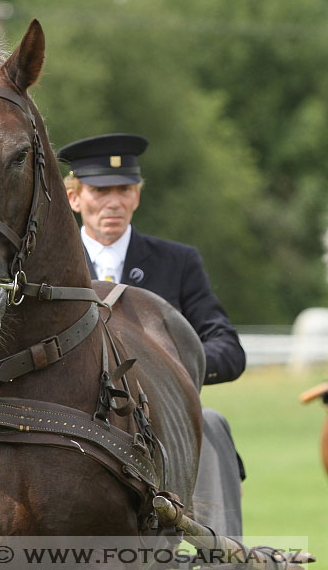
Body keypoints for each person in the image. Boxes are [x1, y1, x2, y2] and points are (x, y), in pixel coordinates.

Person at [59, 133, 246, 536]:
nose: (114, 202)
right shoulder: (50, 268)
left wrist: (164, 372)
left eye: (124, 189)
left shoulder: (178, 262)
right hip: (72, 421)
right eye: (100, 190)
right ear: (74, 198)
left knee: (210, 422)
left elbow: (228, 350)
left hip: (163, 423)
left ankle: (219, 555)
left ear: (137, 197)